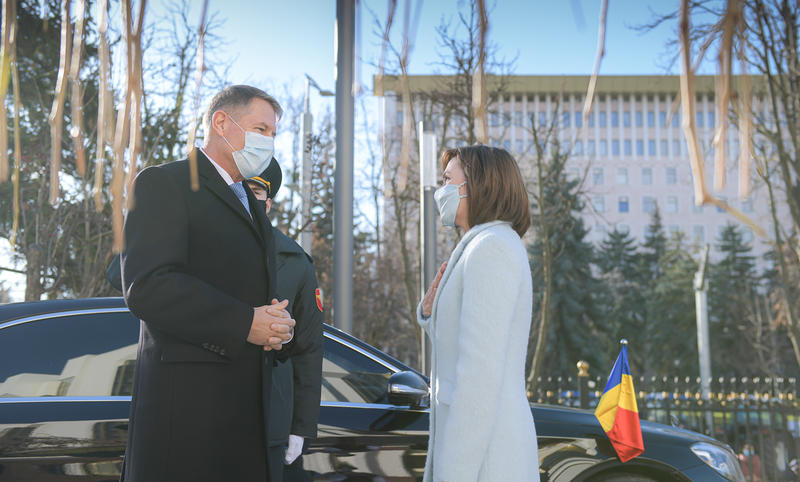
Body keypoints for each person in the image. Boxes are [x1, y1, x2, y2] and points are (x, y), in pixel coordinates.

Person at [120, 85, 296, 482]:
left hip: (244, 417)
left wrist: (273, 328)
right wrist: (244, 322)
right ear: (221, 123)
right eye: (261, 129)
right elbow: (148, 285)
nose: (269, 141)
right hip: (186, 421)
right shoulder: (164, 184)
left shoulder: (252, 205)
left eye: (273, 133)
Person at [417, 145, 539, 482]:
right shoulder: (482, 244)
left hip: (486, 459)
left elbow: (479, 373)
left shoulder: (491, 249)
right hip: (484, 453)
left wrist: (454, 473)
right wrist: (430, 314)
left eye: (447, 181)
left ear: (478, 186)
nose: (441, 192)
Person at [246, 160, 323, 482]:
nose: (247, 198)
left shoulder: (294, 262)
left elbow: (308, 348)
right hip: (204, 410)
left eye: (255, 190)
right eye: (239, 189)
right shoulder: (196, 242)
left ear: (269, 201)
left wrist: (300, 427)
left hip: (268, 417)